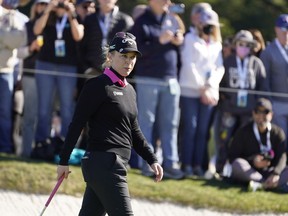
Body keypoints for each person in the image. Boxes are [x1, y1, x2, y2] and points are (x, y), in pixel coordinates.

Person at [57, 32, 163, 216]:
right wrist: (64, 160)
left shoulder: (129, 90)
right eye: (123, 56)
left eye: (132, 57)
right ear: (110, 56)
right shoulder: (97, 86)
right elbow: (77, 124)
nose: (128, 62)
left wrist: (151, 159)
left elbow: (134, 130)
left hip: (113, 164)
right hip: (104, 163)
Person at [130, 0, 184, 179]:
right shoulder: (141, 21)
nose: (167, 2)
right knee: (147, 123)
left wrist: (178, 40)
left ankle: (171, 163)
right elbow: (135, 50)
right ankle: (148, 164)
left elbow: (180, 38)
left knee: (170, 124)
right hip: (148, 78)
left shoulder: (172, 19)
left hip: (171, 78)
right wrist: (159, 41)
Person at [214, 30, 268, 175]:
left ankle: (240, 172)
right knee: (224, 140)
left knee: (244, 141)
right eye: (240, 44)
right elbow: (219, 83)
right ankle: (220, 170)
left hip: (248, 112)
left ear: (251, 47)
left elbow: (262, 87)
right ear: (235, 45)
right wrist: (225, 99)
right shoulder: (228, 61)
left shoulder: (257, 63)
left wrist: (258, 106)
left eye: (246, 45)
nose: (243, 47)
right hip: (230, 110)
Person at [178, 8, 224, 177]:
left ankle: (198, 165)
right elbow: (189, 64)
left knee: (203, 131)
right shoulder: (190, 39)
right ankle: (186, 164)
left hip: (209, 93)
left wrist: (209, 86)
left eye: (211, 25)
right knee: (190, 128)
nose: (208, 28)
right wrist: (201, 88)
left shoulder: (217, 44)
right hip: (190, 90)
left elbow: (219, 68)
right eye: (205, 24)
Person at [32, 0, 84, 148]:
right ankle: (41, 143)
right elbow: (36, 30)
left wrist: (70, 14)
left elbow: (78, 36)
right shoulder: (47, 15)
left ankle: (67, 146)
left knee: (67, 108)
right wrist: (48, 10)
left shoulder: (74, 16)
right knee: (44, 107)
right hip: (45, 64)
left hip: (67, 67)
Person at [228, 98, 288, 192]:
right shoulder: (243, 131)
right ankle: (266, 184)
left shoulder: (278, 132)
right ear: (253, 113)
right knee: (237, 164)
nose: (261, 115)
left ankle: (263, 184)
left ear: (271, 115)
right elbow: (232, 157)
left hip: (271, 172)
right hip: (251, 171)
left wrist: (276, 173)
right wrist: (253, 161)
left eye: (265, 112)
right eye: (257, 111)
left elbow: (283, 156)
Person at [17, 0, 49, 157]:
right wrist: (31, 48)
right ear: (35, 6)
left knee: (45, 116)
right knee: (29, 116)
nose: (42, 7)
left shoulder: (55, 25)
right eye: (40, 4)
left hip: (51, 78)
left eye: (46, 4)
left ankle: (43, 151)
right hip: (31, 75)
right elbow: (19, 53)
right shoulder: (27, 25)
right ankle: (26, 152)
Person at [0, 0, 27, 153]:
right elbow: (10, 39)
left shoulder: (19, 18)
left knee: (4, 112)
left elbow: (18, 40)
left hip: (6, 71)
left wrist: (2, 36)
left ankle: (4, 147)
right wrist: (6, 37)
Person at [80, 0, 134, 76]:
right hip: (92, 69)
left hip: (116, 71)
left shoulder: (125, 20)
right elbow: (82, 45)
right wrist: (86, 67)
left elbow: (130, 48)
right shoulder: (89, 19)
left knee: (111, 88)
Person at [260, 14, 288, 149]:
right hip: (277, 103)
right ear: (276, 30)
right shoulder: (268, 52)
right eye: (283, 31)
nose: (286, 34)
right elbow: (265, 81)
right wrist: (270, 104)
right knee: (281, 139)